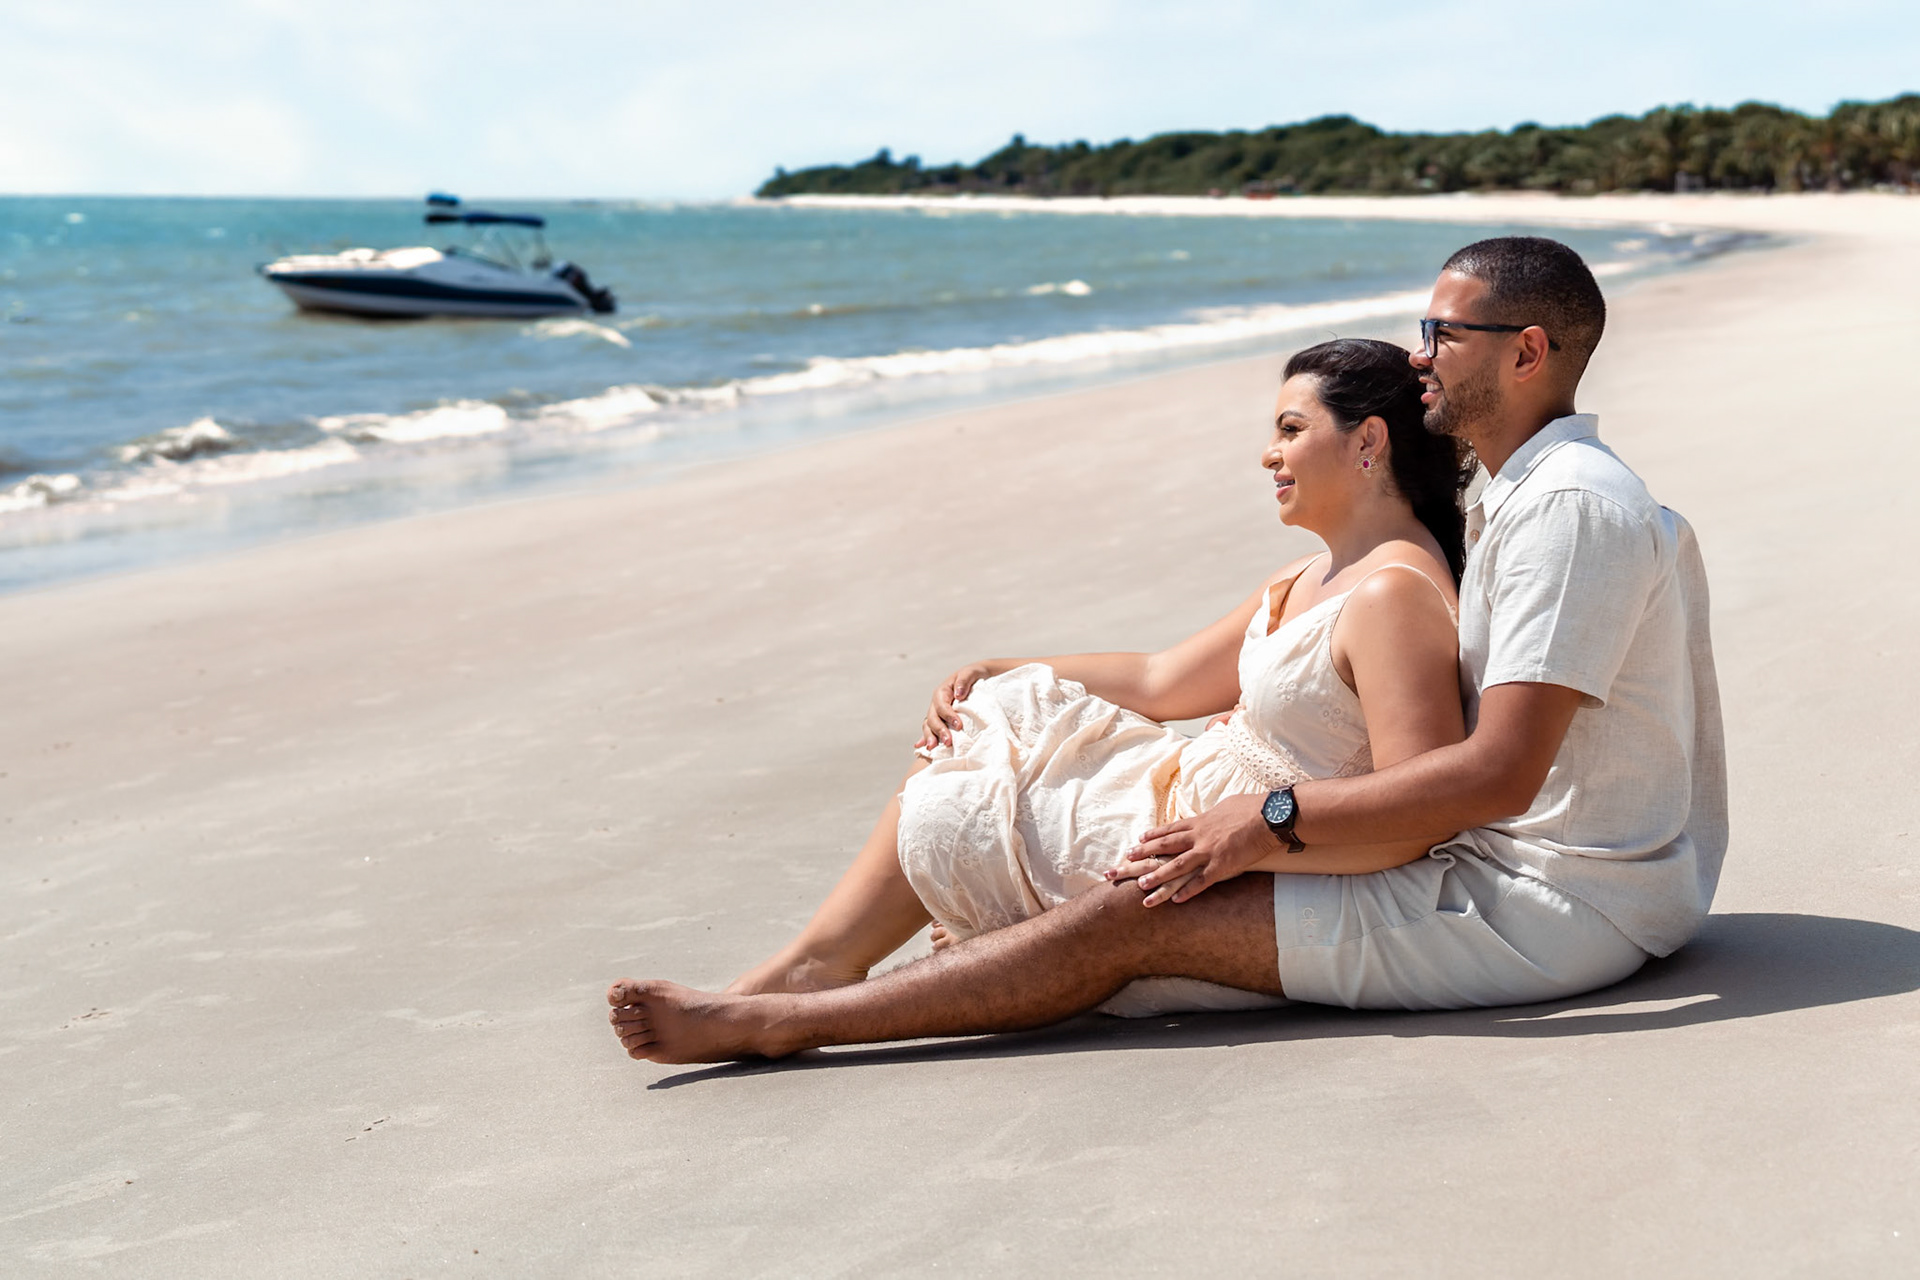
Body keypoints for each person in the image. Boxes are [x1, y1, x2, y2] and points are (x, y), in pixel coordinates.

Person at [609, 236, 1729, 1064]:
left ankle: (790, 1017)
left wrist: (1270, 816)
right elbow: (1170, 677)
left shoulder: (1568, 508)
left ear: (1529, 350)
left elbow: (1497, 772)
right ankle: (808, 981)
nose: (1421, 353)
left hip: (1550, 902)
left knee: (1134, 912)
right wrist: (1006, 669)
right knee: (1112, 866)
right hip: (1521, 869)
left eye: (1443, 333)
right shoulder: (1511, 498)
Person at [721, 336, 1474, 1021]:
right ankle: (820, 961)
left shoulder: (1392, 594)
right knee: (994, 710)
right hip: (1188, 801)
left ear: (1367, 440)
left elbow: (1419, 809)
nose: (1268, 456)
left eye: (1290, 430)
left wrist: (1256, 835)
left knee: (979, 769)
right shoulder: (1313, 576)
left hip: (1220, 845)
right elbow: (1159, 679)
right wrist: (994, 668)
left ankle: (818, 967)